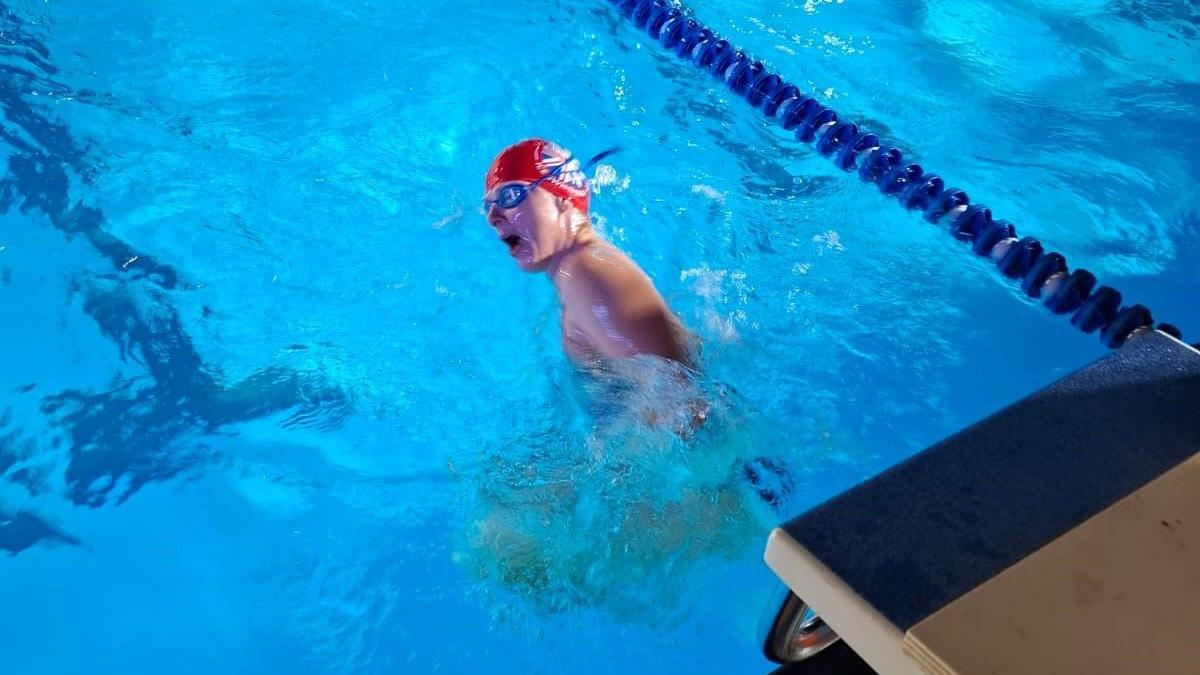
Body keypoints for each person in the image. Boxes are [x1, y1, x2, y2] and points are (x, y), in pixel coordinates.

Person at [482, 138, 696, 370]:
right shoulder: (580, 268)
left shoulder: (587, 274)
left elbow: (680, 396)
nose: (493, 217)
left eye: (510, 196)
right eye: (488, 206)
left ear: (562, 198)